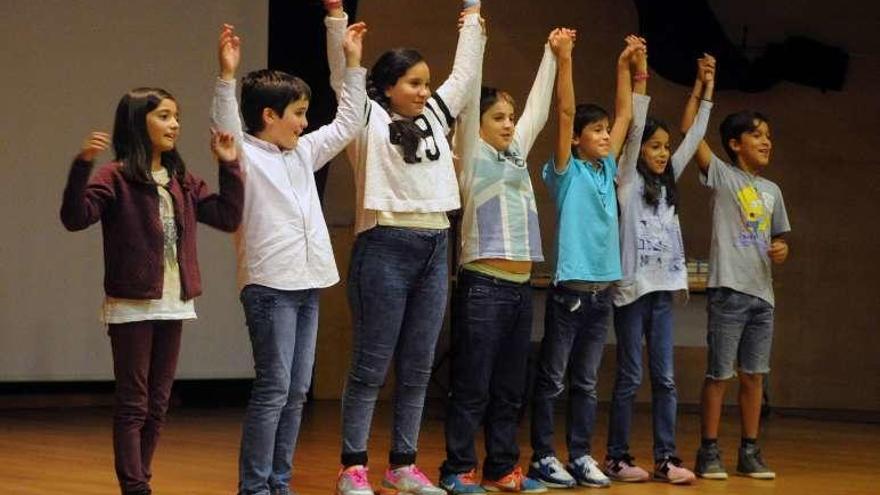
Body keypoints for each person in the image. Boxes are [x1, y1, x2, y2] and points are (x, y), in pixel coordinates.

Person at [324, 1, 485, 494]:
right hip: (385, 245)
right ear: (388, 85)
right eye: (414, 83)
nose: (425, 91)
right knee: (372, 364)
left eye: (426, 82)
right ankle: (354, 468)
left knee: (417, 363)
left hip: (436, 242)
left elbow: (465, 73)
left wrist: (474, 17)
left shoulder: (437, 114)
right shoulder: (366, 116)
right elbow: (340, 79)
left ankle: (403, 465)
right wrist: (338, 27)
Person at [211, 16, 367, 495]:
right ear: (267, 117)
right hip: (269, 287)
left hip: (306, 285)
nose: (305, 122)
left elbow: (348, 123)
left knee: (297, 392)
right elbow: (226, 126)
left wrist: (353, 64)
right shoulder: (245, 155)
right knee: (275, 389)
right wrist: (226, 77)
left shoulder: (302, 153)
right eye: (298, 113)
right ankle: (255, 486)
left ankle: (280, 481)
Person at [60, 88, 243, 495]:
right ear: (138, 122)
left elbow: (228, 217)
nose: (174, 124)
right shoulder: (116, 175)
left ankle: (139, 481)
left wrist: (229, 166)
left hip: (174, 302)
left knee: (158, 405)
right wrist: (81, 167)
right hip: (131, 304)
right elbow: (75, 218)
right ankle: (137, 487)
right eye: (164, 116)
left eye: (176, 116)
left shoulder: (181, 179)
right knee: (133, 403)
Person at [438, 27, 576, 495]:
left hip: (519, 289)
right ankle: (457, 469)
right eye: (498, 116)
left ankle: (501, 468)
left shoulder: (515, 153)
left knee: (510, 390)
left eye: (511, 117)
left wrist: (551, 52)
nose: (509, 123)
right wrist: (476, 30)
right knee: (473, 386)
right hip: (483, 286)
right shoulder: (469, 157)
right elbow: (471, 84)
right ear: (473, 124)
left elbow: (540, 104)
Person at [527, 36, 644, 490]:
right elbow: (564, 113)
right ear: (577, 141)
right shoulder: (566, 171)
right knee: (553, 379)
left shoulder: (606, 168)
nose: (602, 135)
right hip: (571, 294)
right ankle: (543, 455)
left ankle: (579, 454)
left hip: (602, 294)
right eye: (593, 131)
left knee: (587, 382)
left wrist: (624, 64)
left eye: (603, 131)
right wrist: (567, 59)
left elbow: (627, 113)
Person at [603, 54, 716, 486]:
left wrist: (704, 89)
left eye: (666, 148)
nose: (664, 153)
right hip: (632, 292)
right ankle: (616, 456)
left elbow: (696, 136)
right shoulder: (627, 181)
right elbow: (633, 129)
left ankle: (666, 458)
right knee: (630, 376)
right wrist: (642, 77)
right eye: (655, 146)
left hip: (664, 293)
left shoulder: (669, 183)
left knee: (666, 379)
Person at [682, 58, 791, 482]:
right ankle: (708, 450)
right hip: (729, 290)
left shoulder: (773, 191)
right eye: (757, 135)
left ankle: (750, 449)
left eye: (769, 137)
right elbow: (691, 130)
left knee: (755, 376)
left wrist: (781, 249)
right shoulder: (724, 177)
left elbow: (779, 239)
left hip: (763, 295)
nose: (766, 142)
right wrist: (702, 84)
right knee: (719, 374)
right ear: (733, 144)